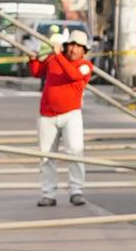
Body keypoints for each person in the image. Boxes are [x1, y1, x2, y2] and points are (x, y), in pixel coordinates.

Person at [32, 25, 93, 206]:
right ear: (66, 46)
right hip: (47, 114)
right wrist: (33, 59)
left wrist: (58, 56)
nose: (74, 49)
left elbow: (73, 75)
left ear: (84, 51)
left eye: (78, 47)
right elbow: (37, 71)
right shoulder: (54, 59)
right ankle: (48, 193)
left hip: (71, 114)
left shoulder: (85, 66)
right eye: (71, 45)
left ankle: (77, 191)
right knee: (46, 156)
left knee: (75, 152)